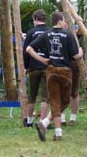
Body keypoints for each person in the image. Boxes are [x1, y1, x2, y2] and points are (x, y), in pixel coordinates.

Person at [27, 12, 83, 142]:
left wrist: (41, 59)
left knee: (54, 101)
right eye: (63, 21)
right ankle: (46, 122)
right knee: (64, 101)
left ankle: (56, 132)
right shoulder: (68, 34)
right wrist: (80, 51)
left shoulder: (46, 34)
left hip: (51, 71)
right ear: (60, 21)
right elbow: (75, 56)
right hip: (64, 71)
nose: (64, 23)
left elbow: (29, 49)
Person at [22, 9, 49, 127]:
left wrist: (26, 66)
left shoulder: (31, 32)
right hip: (47, 66)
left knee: (32, 95)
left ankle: (29, 120)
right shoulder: (50, 32)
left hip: (33, 67)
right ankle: (42, 121)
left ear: (36, 19)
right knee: (45, 96)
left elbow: (26, 51)